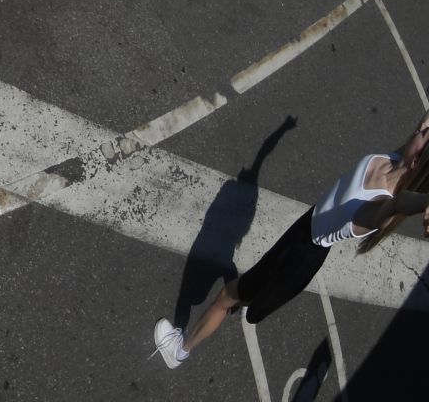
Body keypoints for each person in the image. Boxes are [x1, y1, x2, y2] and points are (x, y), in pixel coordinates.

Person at [152, 111, 429, 369]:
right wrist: (281, 132)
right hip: (303, 229)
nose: (421, 126)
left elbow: (401, 204)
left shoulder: (384, 205)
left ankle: (179, 350)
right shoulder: (394, 160)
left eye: (424, 133)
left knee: (226, 297)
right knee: (244, 292)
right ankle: (244, 298)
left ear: (418, 159)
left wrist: (425, 203)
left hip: (301, 254)